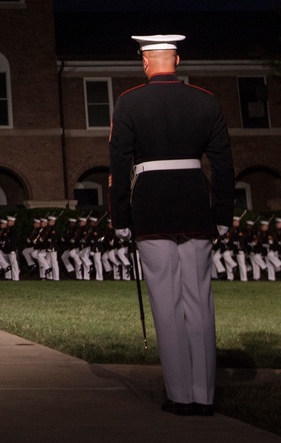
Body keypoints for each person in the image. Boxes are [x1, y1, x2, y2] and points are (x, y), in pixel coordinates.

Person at [108, 35, 234, 417]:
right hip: (196, 205)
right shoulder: (205, 100)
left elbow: (118, 165)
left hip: (152, 208)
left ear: (144, 62)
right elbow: (224, 165)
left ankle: (180, 395)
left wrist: (120, 217)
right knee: (199, 303)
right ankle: (205, 395)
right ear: (177, 59)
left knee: (166, 303)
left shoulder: (129, 102)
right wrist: (223, 216)